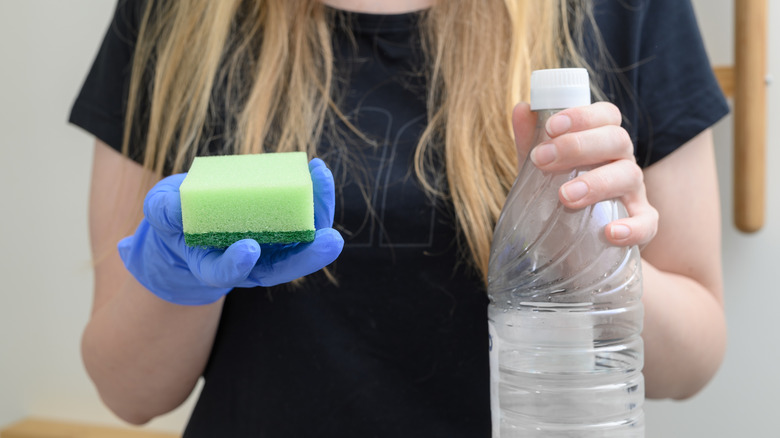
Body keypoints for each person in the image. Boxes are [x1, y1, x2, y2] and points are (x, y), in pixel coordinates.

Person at [69, 0, 728, 435]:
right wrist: (173, 280)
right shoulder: (178, 16)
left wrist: (594, 255)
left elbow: (692, 363)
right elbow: (129, 392)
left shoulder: (623, 9)